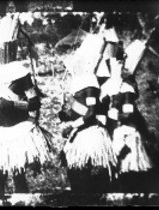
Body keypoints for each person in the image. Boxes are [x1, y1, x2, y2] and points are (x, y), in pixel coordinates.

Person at [0, 42, 51, 198]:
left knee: (18, 174)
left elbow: (35, 103)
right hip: (1, 133)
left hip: (20, 131)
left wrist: (13, 104)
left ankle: (21, 201)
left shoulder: (21, 74)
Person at [58, 33, 117, 193]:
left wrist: (72, 125)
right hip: (80, 132)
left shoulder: (91, 86)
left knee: (85, 172)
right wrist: (66, 114)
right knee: (74, 171)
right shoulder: (81, 83)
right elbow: (82, 110)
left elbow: (91, 113)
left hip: (90, 133)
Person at [100, 57, 153, 192]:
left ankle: (133, 191)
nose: (117, 67)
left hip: (126, 130)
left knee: (129, 166)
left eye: (120, 64)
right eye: (114, 64)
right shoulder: (105, 87)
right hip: (111, 129)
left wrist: (115, 115)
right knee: (114, 166)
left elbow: (129, 113)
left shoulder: (127, 88)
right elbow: (100, 108)